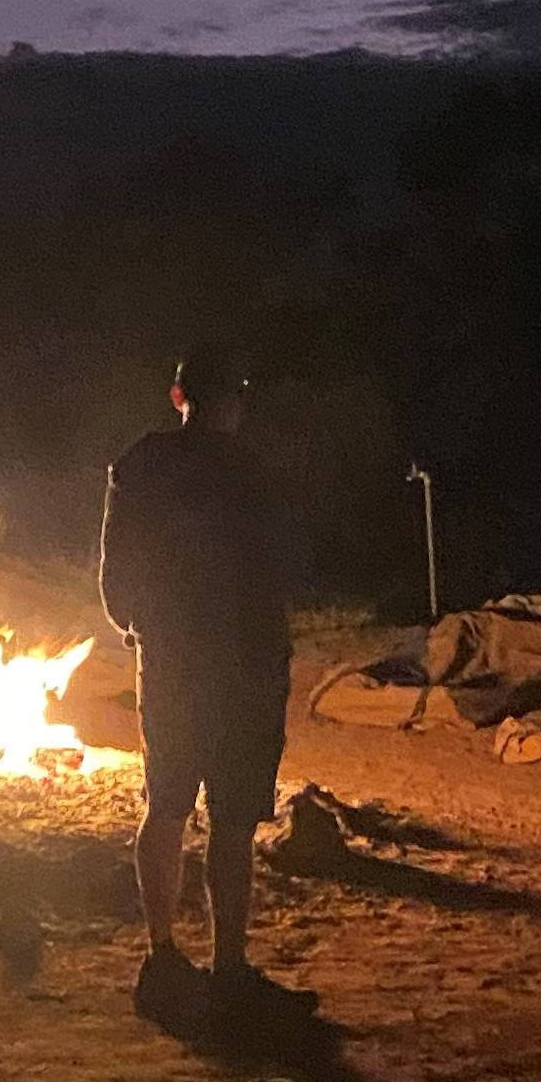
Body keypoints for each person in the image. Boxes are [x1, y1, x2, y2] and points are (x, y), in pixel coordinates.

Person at [96, 348, 310, 1040]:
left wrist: (139, 626)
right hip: (243, 665)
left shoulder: (139, 464)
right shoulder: (253, 472)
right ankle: (230, 966)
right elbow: (280, 566)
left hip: (174, 662)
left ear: (178, 393)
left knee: (167, 805)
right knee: (232, 819)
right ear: (232, 402)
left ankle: (162, 955)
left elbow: (114, 576)